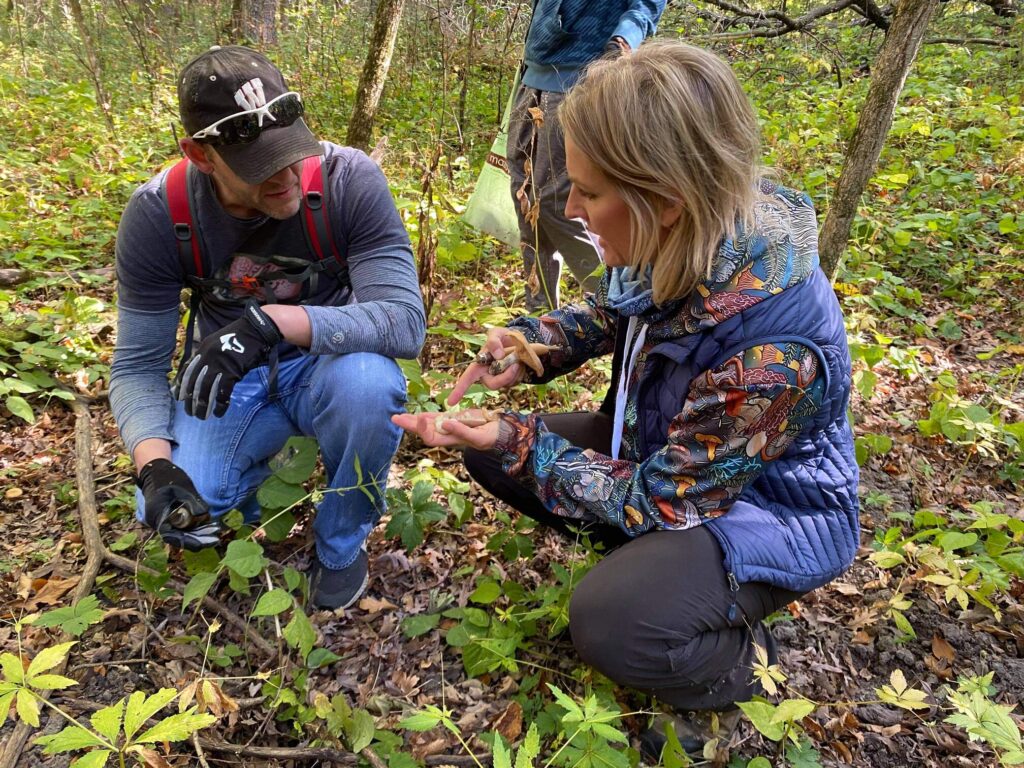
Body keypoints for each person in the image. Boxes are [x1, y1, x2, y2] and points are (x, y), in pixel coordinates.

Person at [394, 41, 859, 754]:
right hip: (668, 449)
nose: (572, 208)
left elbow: (661, 499)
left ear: (665, 200)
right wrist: (532, 345)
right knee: (495, 450)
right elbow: (619, 307)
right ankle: (655, 575)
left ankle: (737, 662)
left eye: (590, 191)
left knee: (611, 621)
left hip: (769, 508)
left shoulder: (771, 357)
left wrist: (512, 441)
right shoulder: (694, 233)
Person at [109, 46, 425, 611]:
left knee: (369, 387)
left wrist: (274, 321)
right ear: (200, 154)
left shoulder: (348, 181)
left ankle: (340, 541)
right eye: (258, 164)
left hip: (329, 361)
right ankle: (261, 477)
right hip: (230, 377)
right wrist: (154, 468)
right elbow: (136, 366)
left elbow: (403, 321)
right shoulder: (161, 214)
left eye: (290, 150)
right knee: (183, 499)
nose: (284, 175)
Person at [509, 0, 665, 312]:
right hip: (533, 73)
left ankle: (628, 306)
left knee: (555, 202)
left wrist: (624, 40)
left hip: (579, 76)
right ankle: (540, 315)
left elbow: (647, 5)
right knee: (524, 197)